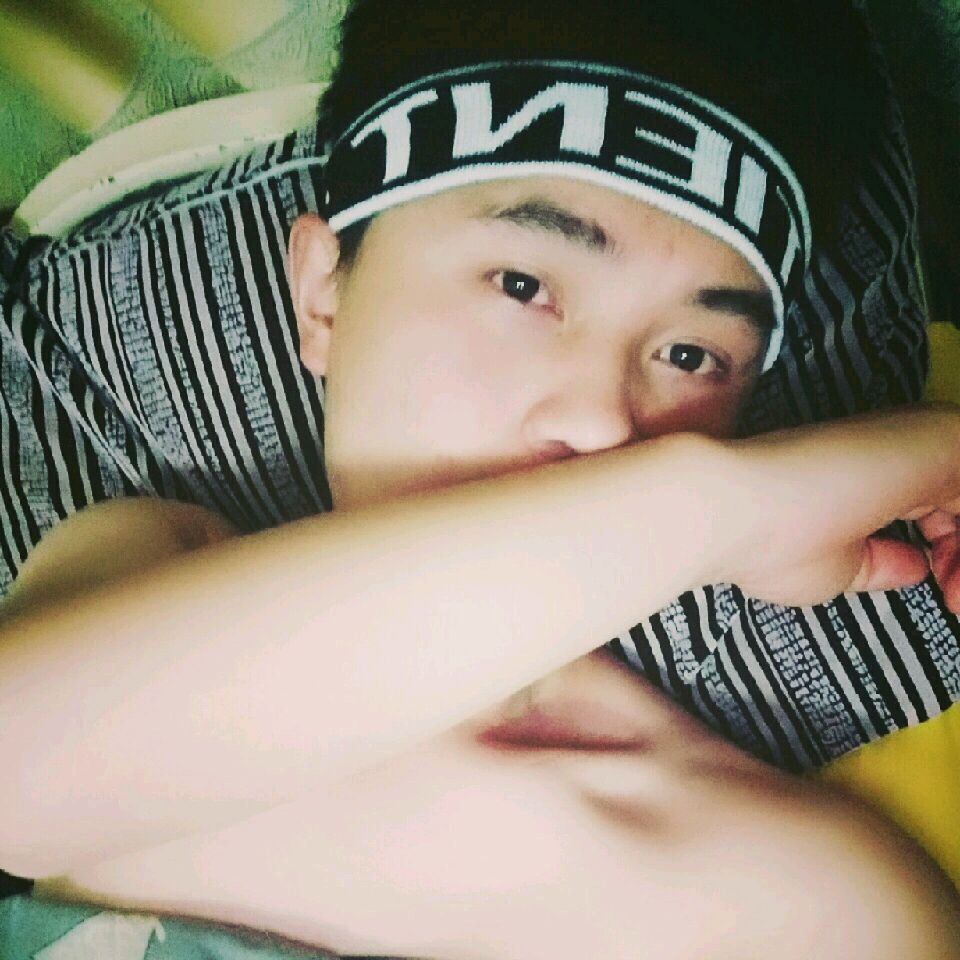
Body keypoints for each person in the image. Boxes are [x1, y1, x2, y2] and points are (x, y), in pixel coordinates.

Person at [0, 0, 958, 955]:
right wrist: (739, 506)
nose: (603, 421)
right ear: (323, 295)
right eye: (523, 286)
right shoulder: (145, 558)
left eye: (689, 355)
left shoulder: (807, 897)